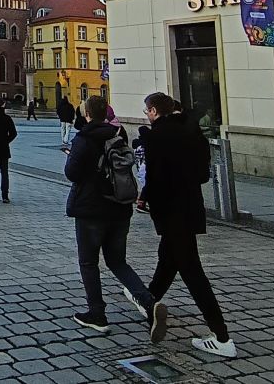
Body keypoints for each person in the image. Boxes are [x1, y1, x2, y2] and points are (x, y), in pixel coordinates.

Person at [139, 92, 235, 358]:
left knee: (192, 272)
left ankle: (221, 336)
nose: (146, 114)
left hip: (171, 211)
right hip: (190, 207)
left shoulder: (156, 136)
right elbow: (204, 174)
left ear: (155, 111)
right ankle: (147, 301)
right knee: (168, 260)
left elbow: (155, 178)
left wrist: (147, 199)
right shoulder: (192, 132)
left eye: (147, 110)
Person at [64, 96, 168, 340]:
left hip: (91, 210)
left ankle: (97, 314)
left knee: (89, 262)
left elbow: (72, 173)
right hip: (120, 209)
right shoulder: (117, 135)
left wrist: (72, 157)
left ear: (87, 114)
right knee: (117, 261)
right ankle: (149, 303)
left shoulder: (84, 138)